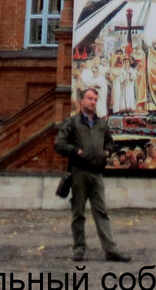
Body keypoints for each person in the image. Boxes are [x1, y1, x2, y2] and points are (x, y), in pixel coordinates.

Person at [53, 88, 131, 263]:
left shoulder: (101, 124)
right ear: (81, 101)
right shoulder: (72, 123)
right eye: (90, 98)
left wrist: (107, 153)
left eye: (96, 99)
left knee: (101, 213)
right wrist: (76, 151)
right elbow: (59, 144)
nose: (93, 102)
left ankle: (111, 251)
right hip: (78, 172)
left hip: (96, 174)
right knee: (78, 213)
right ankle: (79, 250)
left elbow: (110, 142)